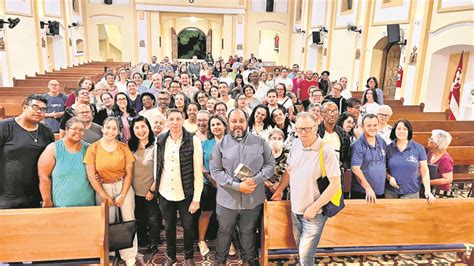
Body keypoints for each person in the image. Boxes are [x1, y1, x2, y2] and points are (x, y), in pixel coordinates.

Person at [272, 112, 341, 266]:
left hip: (314, 213)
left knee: (306, 255)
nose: (303, 132)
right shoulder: (296, 144)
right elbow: (289, 170)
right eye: (299, 129)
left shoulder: (326, 150)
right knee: (300, 248)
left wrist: (314, 207)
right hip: (295, 208)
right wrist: (279, 190)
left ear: (316, 127)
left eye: (307, 129)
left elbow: (335, 185)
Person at [210, 109, 275, 265]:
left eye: (241, 121)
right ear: (228, 123)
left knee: (248, 232)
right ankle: (220, 260)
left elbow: (270, 165)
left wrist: (255, 180)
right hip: (227, 200)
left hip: (252, 199)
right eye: (234, 121)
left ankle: (249, 260)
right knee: (224, 232)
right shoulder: (220, 145)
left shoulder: (260, 142)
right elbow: (215, 171)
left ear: (247, 122)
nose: (237, 124)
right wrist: (237, 186)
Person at [84, 117, 138, 266]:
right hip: (103, 188)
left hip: (123, 185)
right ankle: (111, 252)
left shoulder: (123, 147)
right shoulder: (93, 148)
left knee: (128, 219)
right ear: (102, 128)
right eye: (108, 127)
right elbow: (91, 175)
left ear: (119, 131)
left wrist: (122, 194)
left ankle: (130, 255)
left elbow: (129, 173)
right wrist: (104, 195)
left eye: (114, 128)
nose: (111, 131)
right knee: (108, 221)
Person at [154, 109, 203, 265]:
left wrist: (196, 199)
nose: (175, 122)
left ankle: (188, 256)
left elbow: (198, 172)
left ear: (183, 120)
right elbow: (157, 166)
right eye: (171, 119)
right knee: (169, 227)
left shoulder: (193, 140)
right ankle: (171, 256)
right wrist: (156, 192)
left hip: (186, 193)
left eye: (178, 119)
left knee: (188, 227)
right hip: (165, 191)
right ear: (167, 121)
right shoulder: (160, 140)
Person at [0, 94, 55, 209]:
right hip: (7, 195)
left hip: (36, 195)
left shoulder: (46, 132)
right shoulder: (5, 127)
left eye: (43, 109)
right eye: (35, 107)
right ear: (24, 107)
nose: (39, 111)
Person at [38, 117, 94, 207]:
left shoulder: (90, 148)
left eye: (81, 130)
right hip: (61, 206)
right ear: (67, 129)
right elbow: (44, 176)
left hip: (87, 205)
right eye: (74, 129)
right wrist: (47, 200)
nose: (78, 132)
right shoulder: (53, 148)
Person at [128, 116, 161, 254]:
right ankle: (143, 239)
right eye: (137, 127)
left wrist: (152, 191)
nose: (140, 130)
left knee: (153, 219)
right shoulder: (130, 146)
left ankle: (154, 242)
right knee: (139, 218)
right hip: (134, 191)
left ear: (148, 128)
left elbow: (159, 171)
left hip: (150, 191)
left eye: (143, 127)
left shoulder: (156, 146)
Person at [385, 119, 436, 202]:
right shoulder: (388, 148)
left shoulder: (418, 148)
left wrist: (428, 190)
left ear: (409, 131)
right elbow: (383, 169)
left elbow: (424, 171)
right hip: (391, 192)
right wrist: (389, 178)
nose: (401, 131)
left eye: (405, 129)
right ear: (394, 130)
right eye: (399, 128)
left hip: (411, 192)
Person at [198, 114, 227, 256]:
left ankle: (228, 241)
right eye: (213, 125)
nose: (216, 127)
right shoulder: (206, 143)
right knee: (206, 212)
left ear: (224, 125)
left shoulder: (233, 142)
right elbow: (200, 164)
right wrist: (210, 179)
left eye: (218, 124)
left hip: (228, 185)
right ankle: (202, 240)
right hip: (209, 184)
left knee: (226, 215)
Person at [350, 114, 387, 202]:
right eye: (369, 125)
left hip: (380, 190)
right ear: (363, 127)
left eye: (375, 125)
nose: (372, 128)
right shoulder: (357, 145)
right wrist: (368, 188)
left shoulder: (381, 141)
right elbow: (355, 169)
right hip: (363, 192)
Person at [318, 102, 351, 171]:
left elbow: (346, 157)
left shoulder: (344, 134)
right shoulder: (315, 132)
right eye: (328, 111)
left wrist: (343, 166)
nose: (332, 114)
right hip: (317, 169)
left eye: (335, 111)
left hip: (336, 170)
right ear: (321, 114)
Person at [264, 128, 289, 200]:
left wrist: (280, 187)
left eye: (279, 138)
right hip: (265, 190)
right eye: (274, 138)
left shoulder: (288, 154)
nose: (276, 141)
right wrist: (269, 185)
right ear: (269, 140)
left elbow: (291, 172)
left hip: (283, 191)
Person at [428, 129, 454, 194]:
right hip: (430, 187)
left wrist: (428, 182)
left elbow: (448, 179)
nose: (428, 139)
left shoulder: (445, 159)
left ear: (436, 144)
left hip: (440, 191)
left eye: (431, 139)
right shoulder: (431, 153)